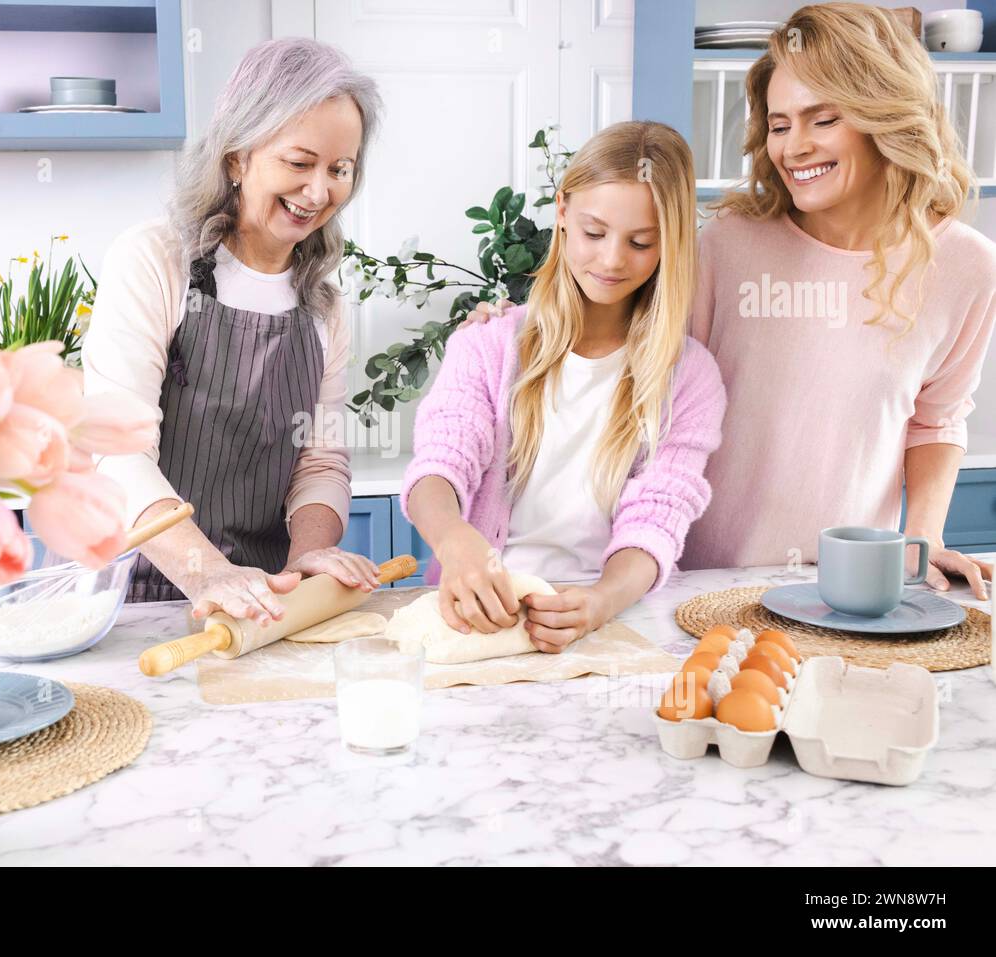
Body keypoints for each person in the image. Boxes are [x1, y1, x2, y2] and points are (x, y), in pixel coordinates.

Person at [682, 3, 995, 601]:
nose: (793, 147)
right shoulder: (725, 248)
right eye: (778, 125)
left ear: (885, 115)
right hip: (701, 584)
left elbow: (936, 419)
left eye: (822, 120)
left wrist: (921, 539)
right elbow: (656, 399)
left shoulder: (966, 267)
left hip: (851, 592)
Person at [84, 39, 386, 624]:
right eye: (299, 163)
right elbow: (116, 452)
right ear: (236, 158)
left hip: (260, 601)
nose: (319, 192)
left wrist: (309, 558)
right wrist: (207, 572)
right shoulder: (155, 261)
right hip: (126, 600)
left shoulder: (322, 304)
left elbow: (319, 460)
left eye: (339, 169)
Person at [402, 121, 726, 650]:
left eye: (641, 242)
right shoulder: (489, 343)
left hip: (608, 619)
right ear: (562, 213)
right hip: (479, 617)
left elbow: (658, 519)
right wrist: (456, 541)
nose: (612, 259)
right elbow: (440, 464)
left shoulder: (688, 377)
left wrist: (601, 602)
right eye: (594, 232)